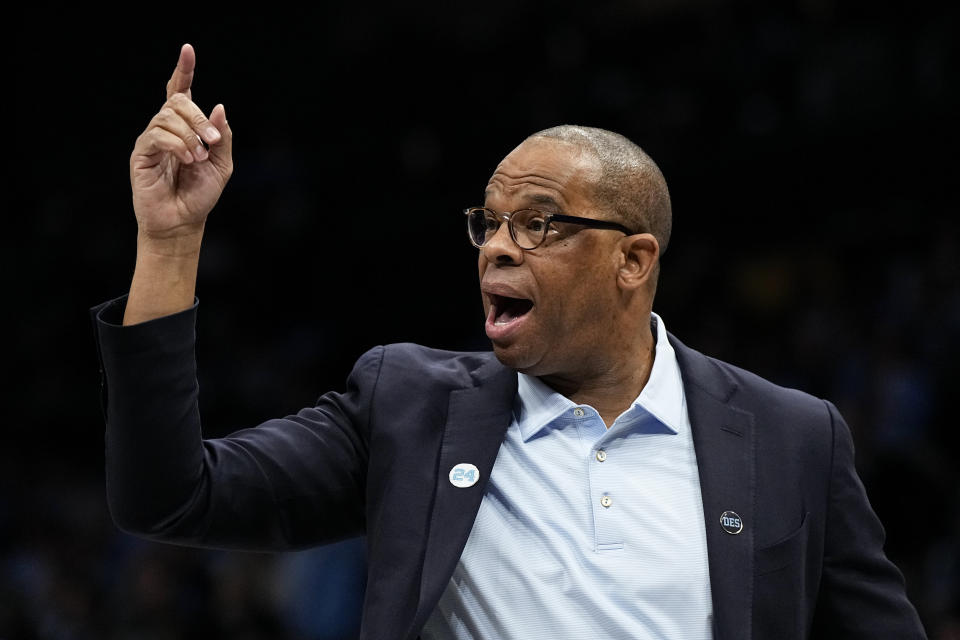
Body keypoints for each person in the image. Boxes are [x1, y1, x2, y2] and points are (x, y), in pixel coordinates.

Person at [91, 43, 927, 639]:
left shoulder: (793, 436)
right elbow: (167, 496)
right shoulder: (407, 406)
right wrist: (168, 245)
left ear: (633, 261)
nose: (497, 245)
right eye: (489, 224)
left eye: (539, 224)